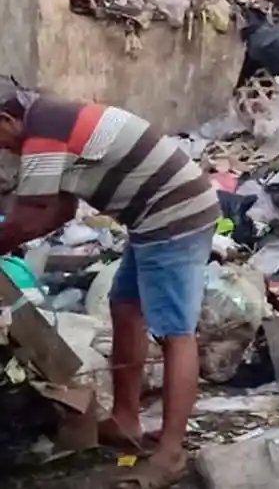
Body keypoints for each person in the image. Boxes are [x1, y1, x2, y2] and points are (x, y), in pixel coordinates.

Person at [0, 78, 220, 488]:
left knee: (175, 333)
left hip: (172, 215)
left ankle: (171, 453)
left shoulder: (42, 132)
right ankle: (125, 419)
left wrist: (4, 241)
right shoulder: (50, 120)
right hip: (160, 212)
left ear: (6, 119)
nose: (3, 150)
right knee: (125, 306)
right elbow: (61, 210)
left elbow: (31, 214)